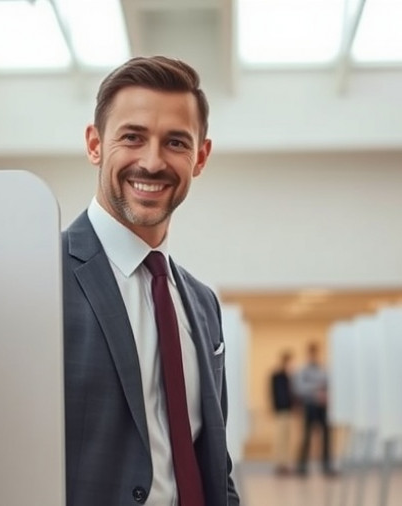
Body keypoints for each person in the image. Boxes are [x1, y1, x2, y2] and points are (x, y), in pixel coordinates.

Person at [61, 56, 240, 506]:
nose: (153, 161)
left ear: (199, 157)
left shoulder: (202, 303)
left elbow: (213, 459)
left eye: (176, 142)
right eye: (133, 137)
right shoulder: (41, 277)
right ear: (95, 144)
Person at [294, 342, 333, 476]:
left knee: (326, 438)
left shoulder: (323, 369)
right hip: (310, 406)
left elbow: (328, 385)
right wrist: (316, 389)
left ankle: (326, 466)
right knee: (306, 437)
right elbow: (299, 388)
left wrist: (322, 392)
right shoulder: (302, 370)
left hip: (322, 407)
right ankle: (302, 467)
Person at [270, 350, 295, 475]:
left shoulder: (289, 376)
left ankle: (285, 462)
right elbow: (274, 393)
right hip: (281, 410)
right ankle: (280, 463)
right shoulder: (277, 376)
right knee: (280, 438)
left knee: (287, 438)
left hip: (288, 410)